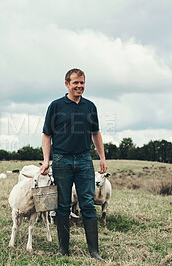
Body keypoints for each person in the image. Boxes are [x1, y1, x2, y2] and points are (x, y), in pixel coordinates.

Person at [40, 68, 107, 260]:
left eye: (82, 82)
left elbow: (96, 133)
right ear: (67, 84)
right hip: (62, 159)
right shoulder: (56, 106)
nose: (80, 86)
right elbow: (47, 134)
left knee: (87, 203)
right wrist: (46, 160)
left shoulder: (90, 107)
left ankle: (94, 252)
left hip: (85, 159)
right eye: (76, 83)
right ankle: (64, 250)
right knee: (62, 204)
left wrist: (102, 157)